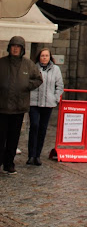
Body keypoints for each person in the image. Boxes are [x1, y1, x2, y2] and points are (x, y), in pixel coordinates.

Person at [0, 36, 42, 174]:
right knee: (1, 137)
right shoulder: (2, 63)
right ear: (9, 48)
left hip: (18, 107)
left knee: (13, 138)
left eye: (18, 47)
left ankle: (9, 163)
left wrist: (27, 85)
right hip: (2, 107)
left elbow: (38, 79)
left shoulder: (28, 64)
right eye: (13, 46)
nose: (15, 49)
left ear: (22, 49)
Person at [27, 48, 64, 165]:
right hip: (34, 103)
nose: (44, 57)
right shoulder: (33, 68)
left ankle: (37, 155)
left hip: (48, 103)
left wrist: (55, 98)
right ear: (39, 57)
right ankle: (31, 155)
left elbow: (59, 86)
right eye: (42, 55)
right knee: (34, 126)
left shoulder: (56, 69)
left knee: (42, 129)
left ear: (50, 57)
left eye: (46, 56)